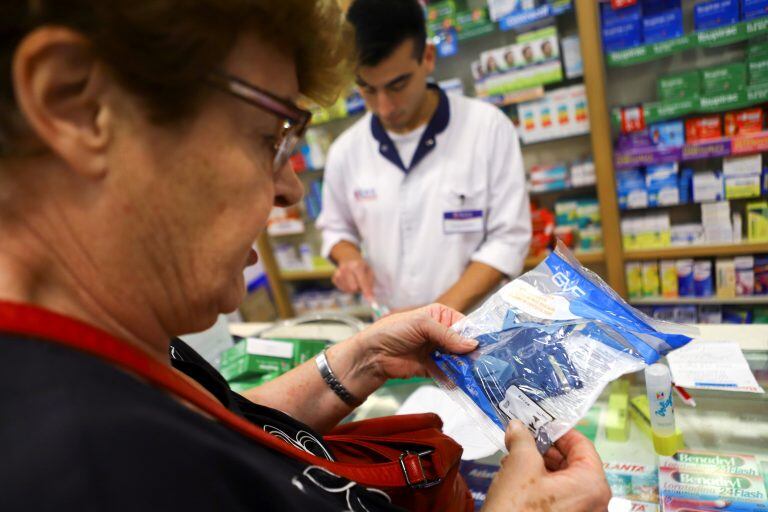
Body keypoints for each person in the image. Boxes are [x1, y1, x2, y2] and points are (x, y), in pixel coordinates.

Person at [0, 1, 610, 510]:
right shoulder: (67, 467)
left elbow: (225, 428)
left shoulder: (106, 346)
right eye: (270, 136)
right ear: (76, 104)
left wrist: (362, 358)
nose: (290, 189)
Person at [316, 0, 531, 313]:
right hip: (389, 325)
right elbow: (336, 229)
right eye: (367, 89)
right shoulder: (345, 151)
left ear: (428, 58)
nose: (384, 107)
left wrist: (431, 317)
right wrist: (349, 259)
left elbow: (508, 240)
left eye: (397, 85)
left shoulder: (488, 127)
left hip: (472, 324)